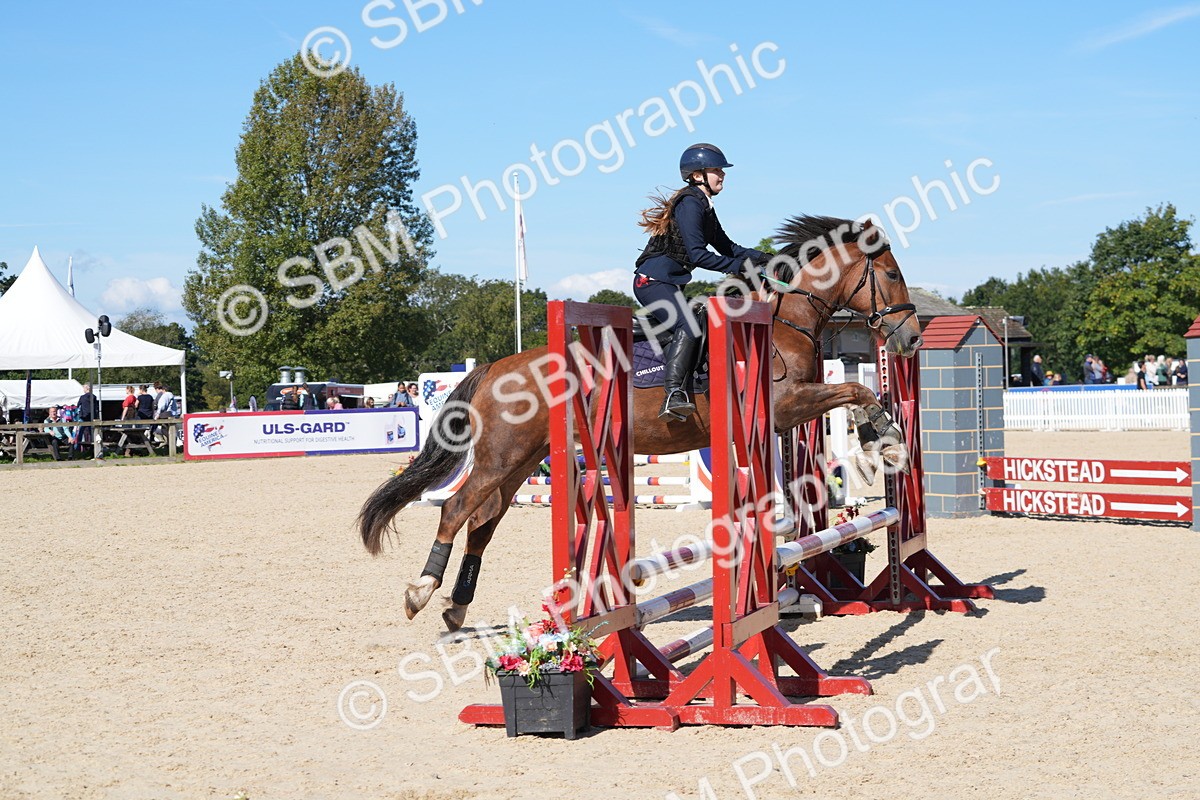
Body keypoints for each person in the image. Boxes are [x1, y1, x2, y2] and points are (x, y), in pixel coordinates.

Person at [632, 143, 773, 420]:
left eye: (721, 170)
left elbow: (728, 247)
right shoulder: (690, 204)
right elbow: (698, 255)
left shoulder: (704, 205)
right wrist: (743, 268)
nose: (722, 175)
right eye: (716, 170)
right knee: (689, 324)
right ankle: (673, 394)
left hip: (668, 284)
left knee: (700, 322)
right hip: (652, 282)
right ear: (698, 175)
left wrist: (766, 258)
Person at [74, 383, 98, 456]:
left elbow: (78, 405)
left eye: (84, 388)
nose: (83, 390)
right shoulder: (94, 397)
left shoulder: (82, 397)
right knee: (92, 433)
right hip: (91, 417)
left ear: (86, 388)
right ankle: (93, 448)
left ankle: (77, 448)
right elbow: (95, 407)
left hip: (84, 417)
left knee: (80, 432)